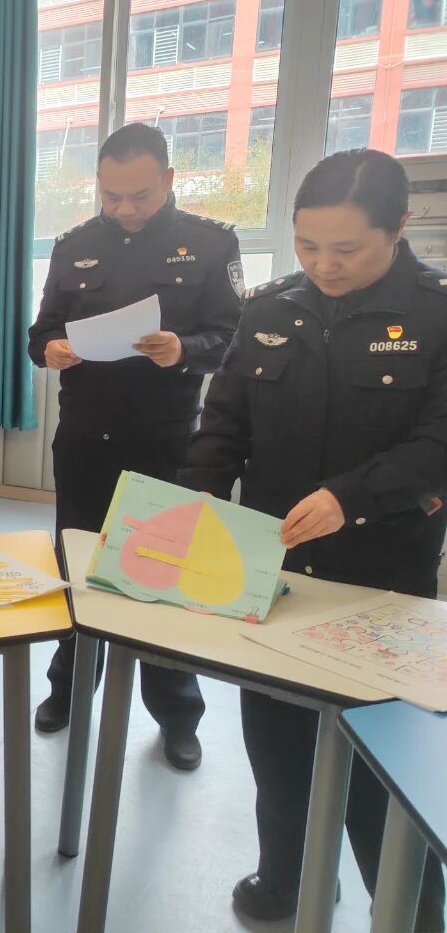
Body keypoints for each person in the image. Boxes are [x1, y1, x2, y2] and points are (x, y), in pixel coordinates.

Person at [178, 148, 446, 930]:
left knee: (379, 758)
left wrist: (349, 498)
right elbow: (223, 422)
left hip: (381, 575)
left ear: (399, 227)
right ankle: (288, 877)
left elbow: (439, 443)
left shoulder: (436, 314)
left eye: (346, 248)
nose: (324, 265)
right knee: (277, 736)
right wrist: (195, 497)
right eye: (307, 245)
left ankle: (411, 909)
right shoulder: (269, 309)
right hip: (275, 570)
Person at [27, 122, 243, 770]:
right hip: (85, 439)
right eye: (111, 194)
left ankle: (177, 713)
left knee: (163, 578)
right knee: (78, 570)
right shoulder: (74, 246)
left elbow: (233, 338)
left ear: (170, 180)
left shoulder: (210, 244)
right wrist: (51, 349)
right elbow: (40, 333)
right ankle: (68, 689)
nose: (124, 207)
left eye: (140, 195)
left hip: (165, 442)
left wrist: (184, 349)